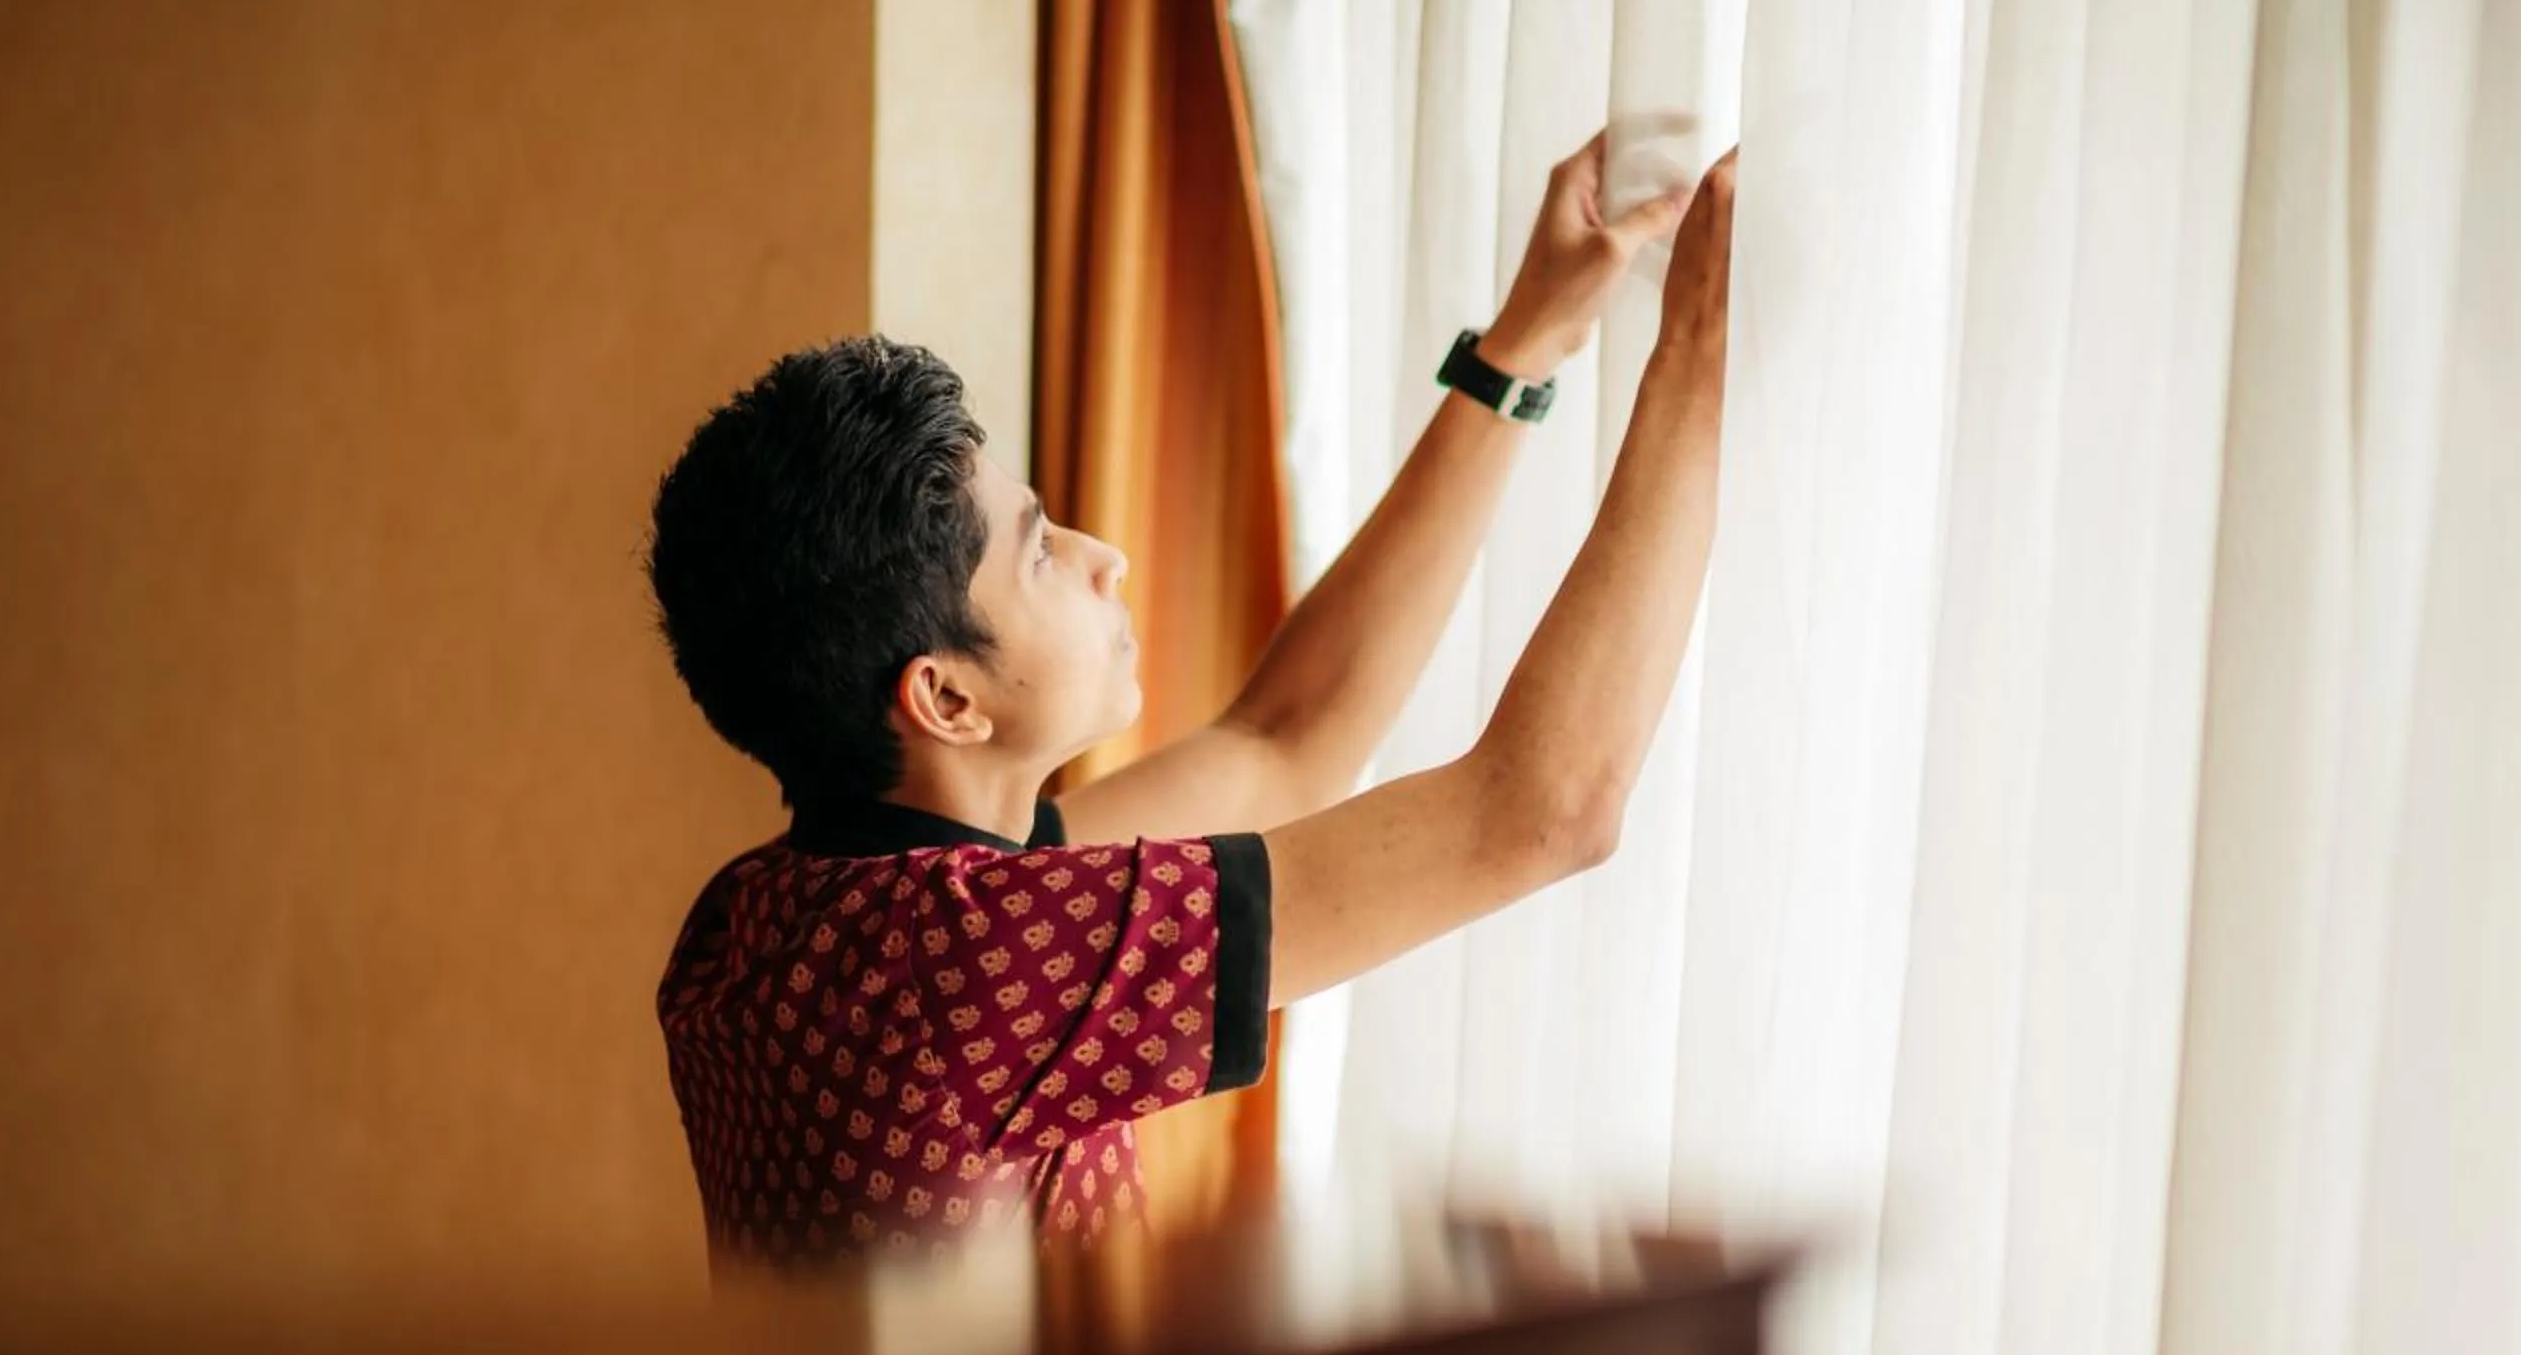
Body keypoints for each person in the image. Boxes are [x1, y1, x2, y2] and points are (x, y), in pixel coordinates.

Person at [646, 135, 1737, 1260]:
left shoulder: (770, 920)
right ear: (946, 700)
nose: (1103, 556)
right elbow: (1546, 809)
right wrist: (1699, 349)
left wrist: (1521, 352)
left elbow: (1285, 743)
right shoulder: (967, 963)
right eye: (1038, 555)